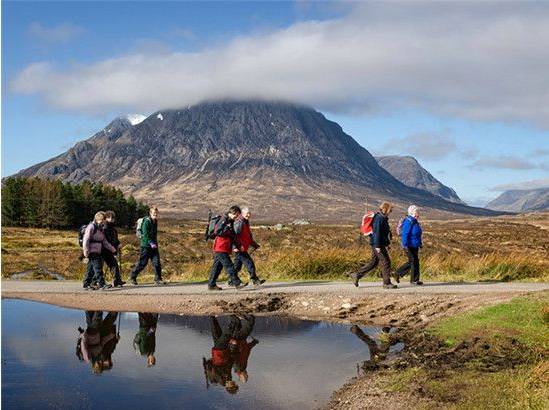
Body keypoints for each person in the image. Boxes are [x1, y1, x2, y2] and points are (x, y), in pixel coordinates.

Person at [350, 202, 398, 289]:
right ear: (385, 209)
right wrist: (377, 246)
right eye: (390, 210)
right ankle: (386, 283)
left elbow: (383, 233)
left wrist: (386, 244)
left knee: (374, 262)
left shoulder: (382, 218)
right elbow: (377, 233)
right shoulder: (379, 219)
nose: (391, 212)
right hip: (377, 244)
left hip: (378, 243)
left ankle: (357, 275)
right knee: (386, 262)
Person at [207, 206, 247, 291]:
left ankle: (211, 284)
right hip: (220, 247)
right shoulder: (224, 220)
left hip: (224, 247)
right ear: (233, 213)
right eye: (236, 215)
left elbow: (233, 236)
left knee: (217, 267)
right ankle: (237, 283)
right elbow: (218, 231)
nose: (237, 217)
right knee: (229, 266)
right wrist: (228, 231)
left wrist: (238, 245)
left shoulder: (230, 221)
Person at [203, 315, 240, 394]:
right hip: (220, 352)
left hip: (219, 353)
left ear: (228, 387)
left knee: (226, 336)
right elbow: (229, 365)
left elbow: (217, 368)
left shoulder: (221, 380)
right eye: (235, 384)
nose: (234, 383)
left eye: (233, 385)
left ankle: (234, 322)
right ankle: (212, 317)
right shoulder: (228, 378)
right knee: (216, 333)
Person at [129, 207, 166, 286]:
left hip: (154, 246)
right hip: (145, 246)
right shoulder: (146, 222)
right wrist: (151, 243)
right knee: (142, 263)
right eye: (153, 213)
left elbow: (154, 234)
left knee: (157, 263)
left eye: (156, 213)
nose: (155, 215)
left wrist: (155, 243)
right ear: (150, 213)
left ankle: (158, 279)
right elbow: (145, 235)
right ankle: (132, 276)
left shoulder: (155, 221)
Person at [82, 211, 117, 290]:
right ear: (99, 219)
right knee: (98, 268)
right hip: (92, 251)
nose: (104, 222)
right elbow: (86, 240)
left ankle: (86, 284)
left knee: (90, 269)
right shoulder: (91, 227)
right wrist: (86, 252)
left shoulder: (100, 228)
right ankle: (102, 284)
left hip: (98, 251)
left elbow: (104, 241)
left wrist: (113, 249)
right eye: (103, 220)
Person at [233, 207, 265, 286]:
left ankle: (232, 280)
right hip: (240, 248)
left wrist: (254, 245)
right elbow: (234, 236)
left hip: (242, 248)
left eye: (249, 213)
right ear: (242, 214)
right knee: (250, 264)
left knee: (237, 267)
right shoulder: (239, 222)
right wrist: (235, 247)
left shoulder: (245, 222)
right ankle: (255, 280)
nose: (248, 215)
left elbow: (248, 236)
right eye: (247, 213)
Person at [396, 205, 423, 285]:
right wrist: (404, 245)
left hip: (415, 245)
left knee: (416, 262)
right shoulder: (408, 221)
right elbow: (405, 234)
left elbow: (418, 233)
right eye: (417, 212)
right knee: (412, 261)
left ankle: (415, 280)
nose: (418, 214)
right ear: (413, 213)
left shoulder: (415, 221)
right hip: (408, 245)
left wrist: (420, 243)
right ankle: (398, 273)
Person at [229, 315, 259, 383]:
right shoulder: (243, 367)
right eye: (247, 376)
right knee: (237, 323)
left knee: (249, 324)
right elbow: (246, 352)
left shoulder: (238, 368)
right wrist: (253, 343)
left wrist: (233, 344)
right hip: (241, 340)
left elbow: (232, 355)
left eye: (246, 376)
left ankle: (247, 315)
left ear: (240, 376)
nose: (247, 374)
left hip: (238, 340)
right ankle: (235, 314)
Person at [103, 210, 125, 287]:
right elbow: (107, 240)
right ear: (106, 218)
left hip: (110, 249)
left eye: (113, 218)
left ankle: (117, 281)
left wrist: (118, 243)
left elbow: (115, 239)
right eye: (110, 218)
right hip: (105, 250)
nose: (112, 220)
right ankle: (95, 281)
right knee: (99, 267)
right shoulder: (105, 228)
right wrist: (113, 248)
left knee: (114, 265)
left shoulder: (112, 229)